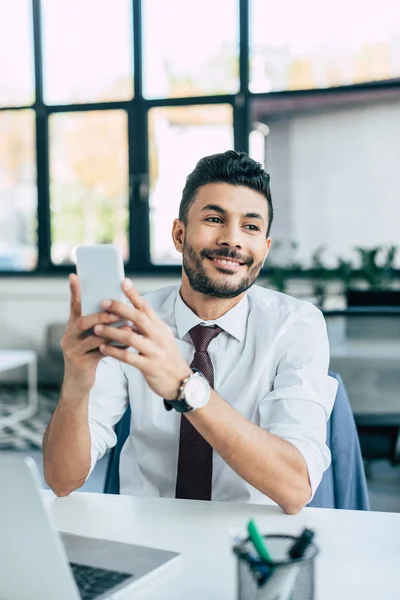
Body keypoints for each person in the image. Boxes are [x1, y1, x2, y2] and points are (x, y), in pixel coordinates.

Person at [42, 150, 337, 514]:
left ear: (265, 248)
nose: (233, 240)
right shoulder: (133, 321)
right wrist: (76, 381)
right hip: (148, 536)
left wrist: (185, 387)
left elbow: (295, 489)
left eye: (251, 227)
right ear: (179, 234)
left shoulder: (296, 326)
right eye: (215, 218)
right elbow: (61, 479)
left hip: (252, 544)